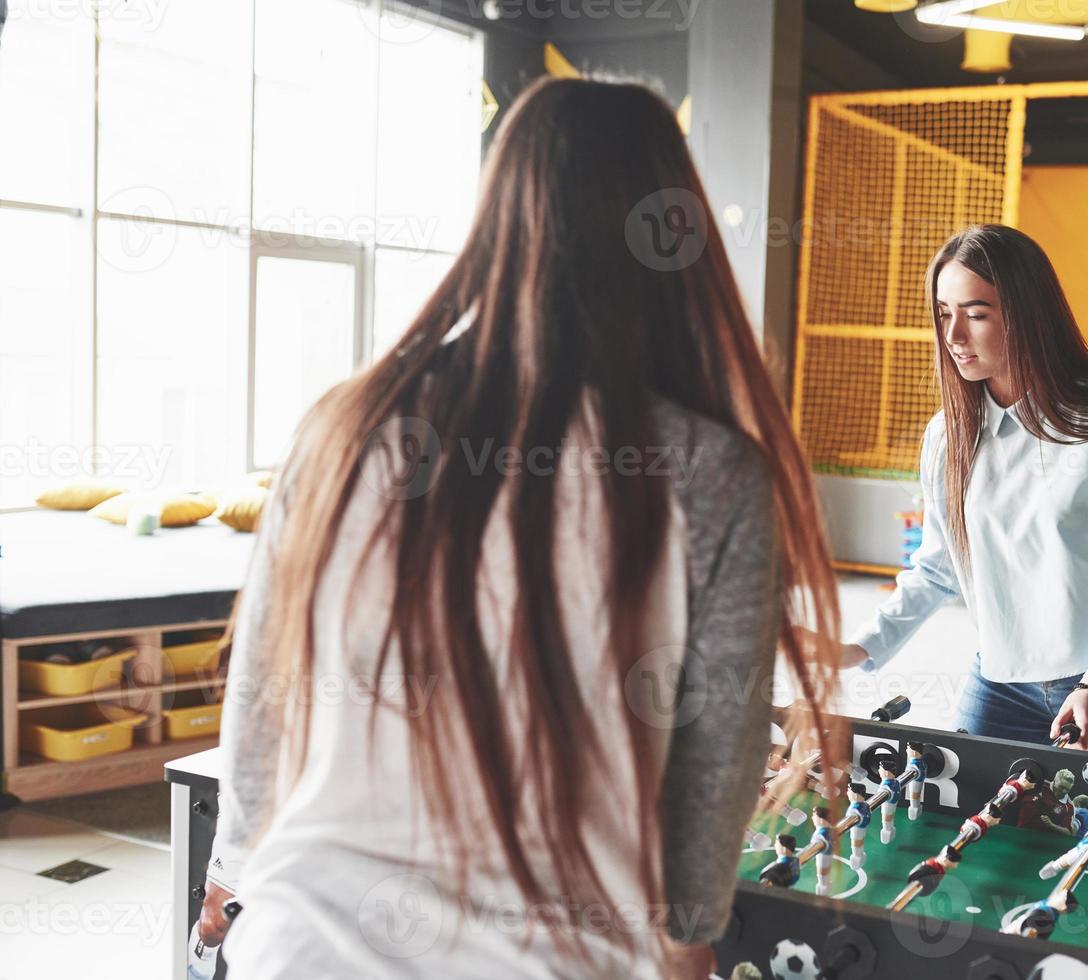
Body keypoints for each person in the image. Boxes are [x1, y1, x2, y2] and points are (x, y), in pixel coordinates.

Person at [203, 77, 844, 980]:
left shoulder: (346, 426)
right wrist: (689, 933)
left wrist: (231, 868)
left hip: (303, 948)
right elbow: (706, 792)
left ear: (496, 215)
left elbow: (264, 694)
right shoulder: (709, 472)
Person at [841, 225, 1088, 758]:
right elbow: (938, 565)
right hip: (999, 679)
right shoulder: (947, 434)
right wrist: (858, 646)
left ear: (1028, 315)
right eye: (943, 313)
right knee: (962, 822)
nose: (954, 335)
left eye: (976, 314)